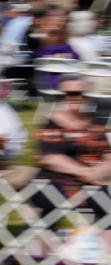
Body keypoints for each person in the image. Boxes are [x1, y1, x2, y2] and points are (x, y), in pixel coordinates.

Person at [32, 74, 111, 230]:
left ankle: (106, 252)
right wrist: (85, 172)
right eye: (69, 94)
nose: (74, 98)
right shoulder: (50, 123)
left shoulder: (96, 123)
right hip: (55, 181)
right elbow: (51, 159)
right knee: (52, 200)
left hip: (94, 181)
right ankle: (43, 250)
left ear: (88, 96)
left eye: (79, 93)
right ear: (62, 96)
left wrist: (100, 171)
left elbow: (108, 155)